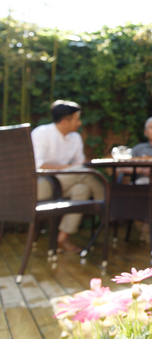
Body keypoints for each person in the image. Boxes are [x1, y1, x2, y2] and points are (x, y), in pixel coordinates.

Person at [31, 100, 106, 253]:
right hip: (39, 185)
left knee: (82, 189)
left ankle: (62, 237)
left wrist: (75, 168)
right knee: (81, 172)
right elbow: (38, 166)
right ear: (65, 121)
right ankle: (107, 203)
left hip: (65, 183)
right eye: (77, 119)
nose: (79, 123)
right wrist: (72, 168)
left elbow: (80, 165)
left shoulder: (75, 138)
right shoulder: (42, 133)